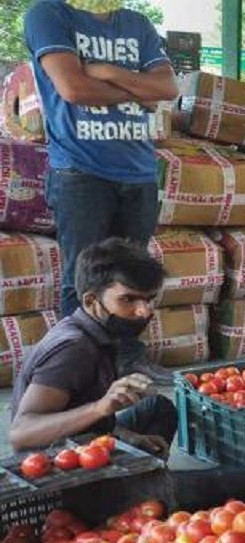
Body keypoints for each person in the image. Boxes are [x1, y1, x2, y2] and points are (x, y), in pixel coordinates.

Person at [24, 0, 179, 384]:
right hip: (81, 171)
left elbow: (167, 88)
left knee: (134, 279)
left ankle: (127, 360)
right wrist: (137, 88)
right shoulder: (49, 15)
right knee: (83, 278)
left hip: (139, 173)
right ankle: (77, 368)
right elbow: (73, 88)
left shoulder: (137, 23)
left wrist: (108, 72)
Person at [10, 238, 176, 454]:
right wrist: (99, 408)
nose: (144, 311)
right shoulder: (74, 349)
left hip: (86, 438)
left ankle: (146, 469)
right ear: (90, 301)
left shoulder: (98, 332)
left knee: (159, 408)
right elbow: (21, 434)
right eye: (128, 299)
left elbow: (95, 421)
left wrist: (129, 437)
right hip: (59, 462)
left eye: (148, 299)